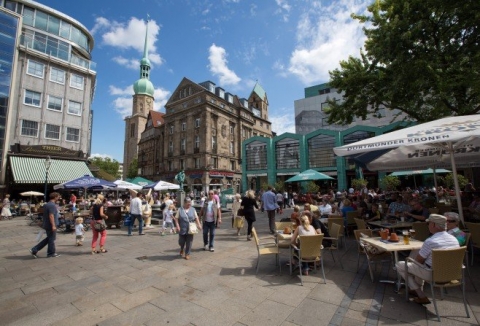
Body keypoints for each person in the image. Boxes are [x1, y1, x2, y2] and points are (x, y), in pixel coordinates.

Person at [396, 214, 459, 304]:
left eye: (428, 223)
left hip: (433, 275)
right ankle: (416, 288)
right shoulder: (454, 240)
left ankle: (420, 294)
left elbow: (418, 262)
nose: (428, 226)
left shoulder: (431, 241)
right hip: (451, 275)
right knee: (421, 262)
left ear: (433, 225)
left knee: (400, 265)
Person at [30, 192, 61, 258]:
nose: (59, 198)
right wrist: (53, 225)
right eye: (58, 197)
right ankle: (51, 253)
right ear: (55, 197)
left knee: (49, 238)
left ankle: (35, 249)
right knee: (51, 239)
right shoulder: (52, 205)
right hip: (50, 224)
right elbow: (51, 215)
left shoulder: (47, 204)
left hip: (47, 224)